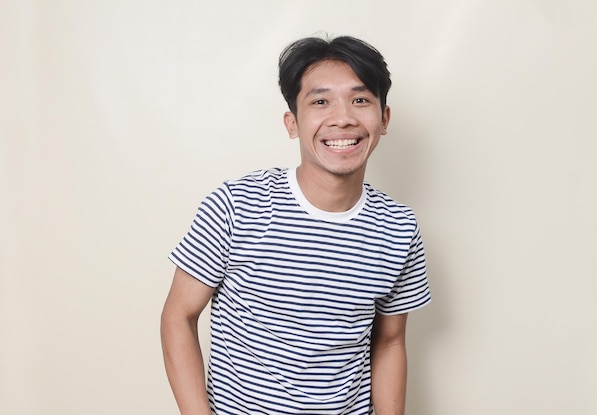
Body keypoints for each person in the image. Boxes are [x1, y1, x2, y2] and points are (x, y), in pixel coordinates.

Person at [160, 34, 431, 415]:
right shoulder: (237, 205)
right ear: (293, 123)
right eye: (320, 102)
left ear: (383, 118)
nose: (343, 118)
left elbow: (389, 343)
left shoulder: (398, 227)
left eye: (360, 100)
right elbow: (178, 315)